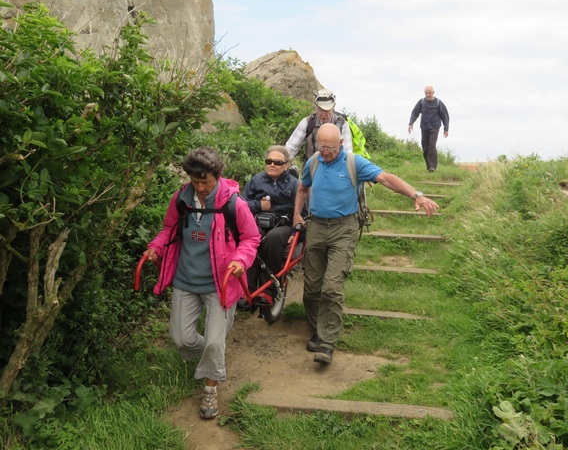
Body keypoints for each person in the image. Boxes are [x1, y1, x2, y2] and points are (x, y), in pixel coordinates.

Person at [292, 124, 439, 365]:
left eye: (330, 147)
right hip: (316, 227)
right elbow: (302, 187)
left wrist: (417, 195)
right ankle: (318, 331)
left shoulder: (354, 162)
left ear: (340, 142)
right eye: (321, 146)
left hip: (343, 229)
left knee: (331, 286)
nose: (325, 151)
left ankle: (327, 343)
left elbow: (386, 178)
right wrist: (297, 214)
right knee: (312, 288)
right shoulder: (314, 162)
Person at [142, 147, 261, 420]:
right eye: (195, 182)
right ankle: (212, 353)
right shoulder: (181, 198)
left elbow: (251, 238)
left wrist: (241, 260)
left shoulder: (234, 203)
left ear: (217, 176)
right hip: (186, 278)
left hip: (220, 283)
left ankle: (210, 387)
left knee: (215, 343)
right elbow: (167, 229)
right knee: (181, 339)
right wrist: (155, 248)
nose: (200, 187)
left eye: (205, 182)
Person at [242, 145, 300, 306]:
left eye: (277, 162)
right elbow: (241, 204)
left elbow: (302, 211)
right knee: (252, 240)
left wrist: (296, 232)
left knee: (272, 239)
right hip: (259, 221)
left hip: (284, 224)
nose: (272, 164)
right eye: (269, 161)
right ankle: (248, 290)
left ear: (286, 165)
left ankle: (268, 292)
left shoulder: (295, 185)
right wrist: (258, 206)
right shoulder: (256, 180)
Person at [286, 88, 353, 162]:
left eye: (327, 110)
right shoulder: (307, 123)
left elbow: (347, 153)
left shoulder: (342, 124)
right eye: (320, 109)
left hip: (335, 169)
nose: (323, 114)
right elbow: (290, 148)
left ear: (334, 106)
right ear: (315, 106)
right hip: (312, 169)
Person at [408, 85, 450, 172]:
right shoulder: (422, 102)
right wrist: (411, 123)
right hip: (424, 127)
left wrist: (446, 129)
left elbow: (445, 116)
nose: (428, 94)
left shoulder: (438, 103)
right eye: (426, 93)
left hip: (435, 127)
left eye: (429, 93)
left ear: (433, 93)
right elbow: (414, 113)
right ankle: (429, 166)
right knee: (425, 147)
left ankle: (433, 167)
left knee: (432, 145)